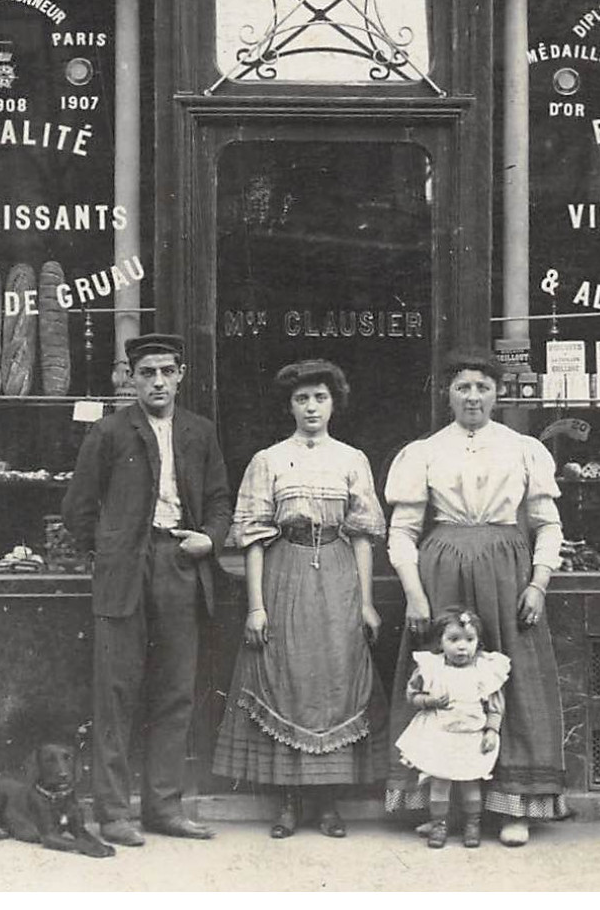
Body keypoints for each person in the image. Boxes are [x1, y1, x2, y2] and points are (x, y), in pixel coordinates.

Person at [382, 350, 569, 848]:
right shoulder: (424, 452)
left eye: (482, 387)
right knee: (440, 678)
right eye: (463, 387)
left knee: (512, 680)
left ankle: (514, 806)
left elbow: (548, 524)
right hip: (441, 570)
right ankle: (438, 805)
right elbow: (401, 532)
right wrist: (415, 595)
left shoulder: (522, 448)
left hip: (507, 571)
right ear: (447, 394)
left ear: (497, 393)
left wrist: (539, 582)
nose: (473, 397)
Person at [62, 333, 233, 845]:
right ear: (130, 378)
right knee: (115, 694)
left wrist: (211, 538)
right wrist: (112, 550)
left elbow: (222, 501)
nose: (157, 381)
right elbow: (78, 510)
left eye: (166, 371)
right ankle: (113, 812)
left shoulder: (200, 433)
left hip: (181, 565)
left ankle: (164, 808)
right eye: (146, 372)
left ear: (180, 375)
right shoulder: (109, 432)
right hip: (124, 573)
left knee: (175, 693)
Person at [211, 359, 386, 839]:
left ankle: (327, 802)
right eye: (302, 399)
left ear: (334, 404)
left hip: (337, 572)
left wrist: (366, 602)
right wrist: (256, 606)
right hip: (284, 571)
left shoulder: (352, 459)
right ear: (289, 405)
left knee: (333, 678)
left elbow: (364, 536)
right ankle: (287, 802)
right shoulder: (268, 460)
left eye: (320, 398)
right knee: (287, 678)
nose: (312, 407)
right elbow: (251, 537)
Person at [394, 608, 511, 849]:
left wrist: (492, 730)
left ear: (478, 643)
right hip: (440, 736)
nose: (461, 647)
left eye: (469, 640)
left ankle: (472, 824)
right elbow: (412, 695)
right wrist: (429, 701)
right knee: (439, 782)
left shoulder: (485, 669)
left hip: (471, 737)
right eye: (453, 640)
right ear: (440, 641)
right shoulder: (432, 667)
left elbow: (495, 705)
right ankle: (439, 824)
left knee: (470, 782)